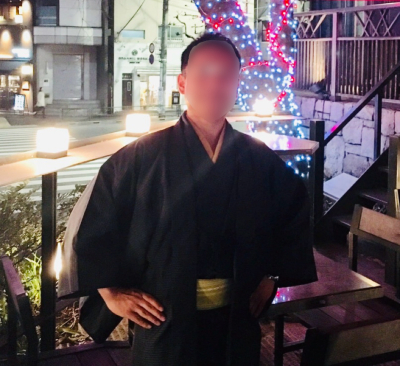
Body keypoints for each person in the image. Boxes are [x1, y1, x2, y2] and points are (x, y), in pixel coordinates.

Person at [58, 32, 317, 366]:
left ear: (237, 83)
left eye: (227, 74)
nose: (216, 83)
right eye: (205, 72)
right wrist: (111, 293)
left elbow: (293, 214)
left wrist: (273, 276)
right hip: (163, 316)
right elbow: (95, 222)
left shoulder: (258, 157)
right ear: (182, 83)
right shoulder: (142, 156)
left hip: (237, 316)